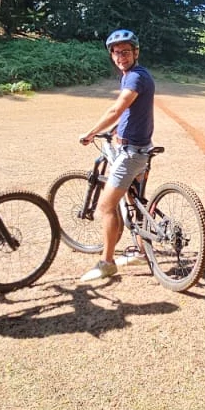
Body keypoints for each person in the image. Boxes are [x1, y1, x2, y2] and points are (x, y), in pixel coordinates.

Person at [76, 28, 155, 282]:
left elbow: (116, 110)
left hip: (132, 152)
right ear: (111, 55)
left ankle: (107, 262)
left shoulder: (134, 78)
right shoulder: (136, 75)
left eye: (126, 51)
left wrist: (91, 133)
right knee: (134, 201)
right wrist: (113, 131)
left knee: (106, 206)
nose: (121, 56)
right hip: (139, 147)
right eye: (116, 52)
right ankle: (143, 251)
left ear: (136, 52)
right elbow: (130, 114)